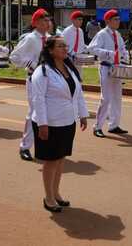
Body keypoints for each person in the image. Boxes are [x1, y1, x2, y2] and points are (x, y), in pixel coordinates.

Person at [31, 36, 89, 212]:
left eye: (66, 45)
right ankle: (48, 198)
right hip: (49, 122)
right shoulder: (42, 72)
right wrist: (42, 124)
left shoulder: (69, 69)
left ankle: (56, 193)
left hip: (67, 121)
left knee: (61, 159)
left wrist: (83, 115)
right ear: (50, 50)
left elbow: (77, 94)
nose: (65, 48)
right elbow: (38, 99)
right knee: (50, 161)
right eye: (60, 46)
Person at [10, 8, 51, 161]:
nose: (47, 23)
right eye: (44, 20)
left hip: (50, 80)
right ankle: (25, 147)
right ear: (36, 23)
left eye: (48, 20)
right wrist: (31, 63)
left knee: (47, 113)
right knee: (34, 112)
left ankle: (45, 146)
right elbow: (14, 56)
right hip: (34, 79)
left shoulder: (50, 38)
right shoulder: (30, 39)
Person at [88, 9, 129, 138]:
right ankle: (98, 126)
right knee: (106, 98)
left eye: (118, 19)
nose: (118, 22)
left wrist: (125, 56)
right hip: (106, 67)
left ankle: (114, 125)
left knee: (117, 97)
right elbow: (92, 49)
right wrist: (109, 53)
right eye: (115, 19)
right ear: (107, 21)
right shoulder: (102, 34)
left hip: (117, 68)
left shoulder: (117, 34)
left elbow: (122, 48)